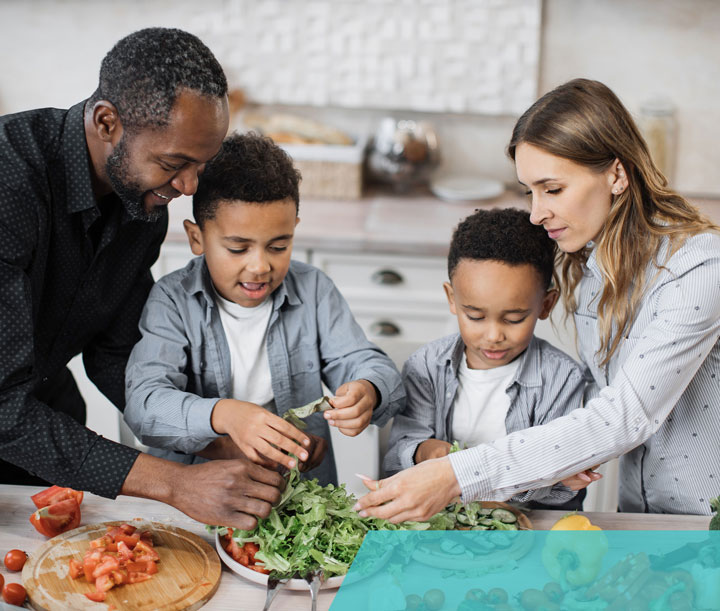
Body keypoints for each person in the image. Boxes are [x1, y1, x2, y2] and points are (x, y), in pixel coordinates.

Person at [354, 78, 720, 521]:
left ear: (617, 175)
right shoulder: (594, 270)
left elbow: (624, 416)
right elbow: (598, 414)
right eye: (531, 191)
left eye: (553, 189)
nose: (536, 212)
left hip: (706, 524)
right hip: (643, 517)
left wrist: (455, 474)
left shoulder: (700, 269)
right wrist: (562, 460)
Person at [0, 27, 286, 531]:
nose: (189, 187)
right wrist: (174, 483)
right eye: (174, 164)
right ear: (107, 122)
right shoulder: (9, 181)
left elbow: (115, 356)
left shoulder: (141, 204)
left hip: (46, 416)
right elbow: (3, 409)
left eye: (202, 164)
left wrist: (216, 443)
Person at [123, 132, 405, 486]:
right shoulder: (172, 300)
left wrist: (368, 389)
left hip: (299, 490)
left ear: (293, 232)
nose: (259, 266)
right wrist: (225, 416)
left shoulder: (314, 290)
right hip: (200, 492)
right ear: (197, 238)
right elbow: (144, 406)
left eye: (277, 246)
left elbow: (368, 363)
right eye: (238, 249)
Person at [383, 207, 596, 510]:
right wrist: (424, 452)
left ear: (546, 304)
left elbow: (562, 490)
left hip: (534, 533)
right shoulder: (426, 367)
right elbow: (398, 456)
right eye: (475, 316)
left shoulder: (562, 379)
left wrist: (558, 475)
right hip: (445, 531)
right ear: (452, 299)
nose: (494, 335)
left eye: (514, 318)